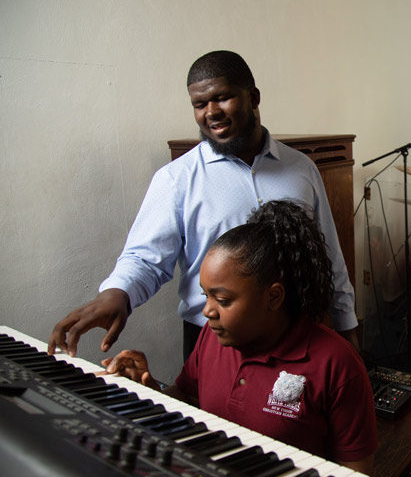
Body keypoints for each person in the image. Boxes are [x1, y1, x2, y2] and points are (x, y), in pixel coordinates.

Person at [48, 50, 358, 360]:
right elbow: (145, 259)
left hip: (298, 339)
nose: (211, 112)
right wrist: (117, 293)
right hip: (214, 344)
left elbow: (328, 253)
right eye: (199, 104)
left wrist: (346, 327)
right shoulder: (176, 179)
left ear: (253, 97)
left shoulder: (302, 168)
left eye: (222, 98)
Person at [101, 200, 377, 474]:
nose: (208, 311)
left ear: (273, 296)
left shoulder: (337, 364)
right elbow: (186, 398)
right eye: (205, 295)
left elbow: (356, 470)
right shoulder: (212, 337)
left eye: (222, 299)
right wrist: (147, 393)